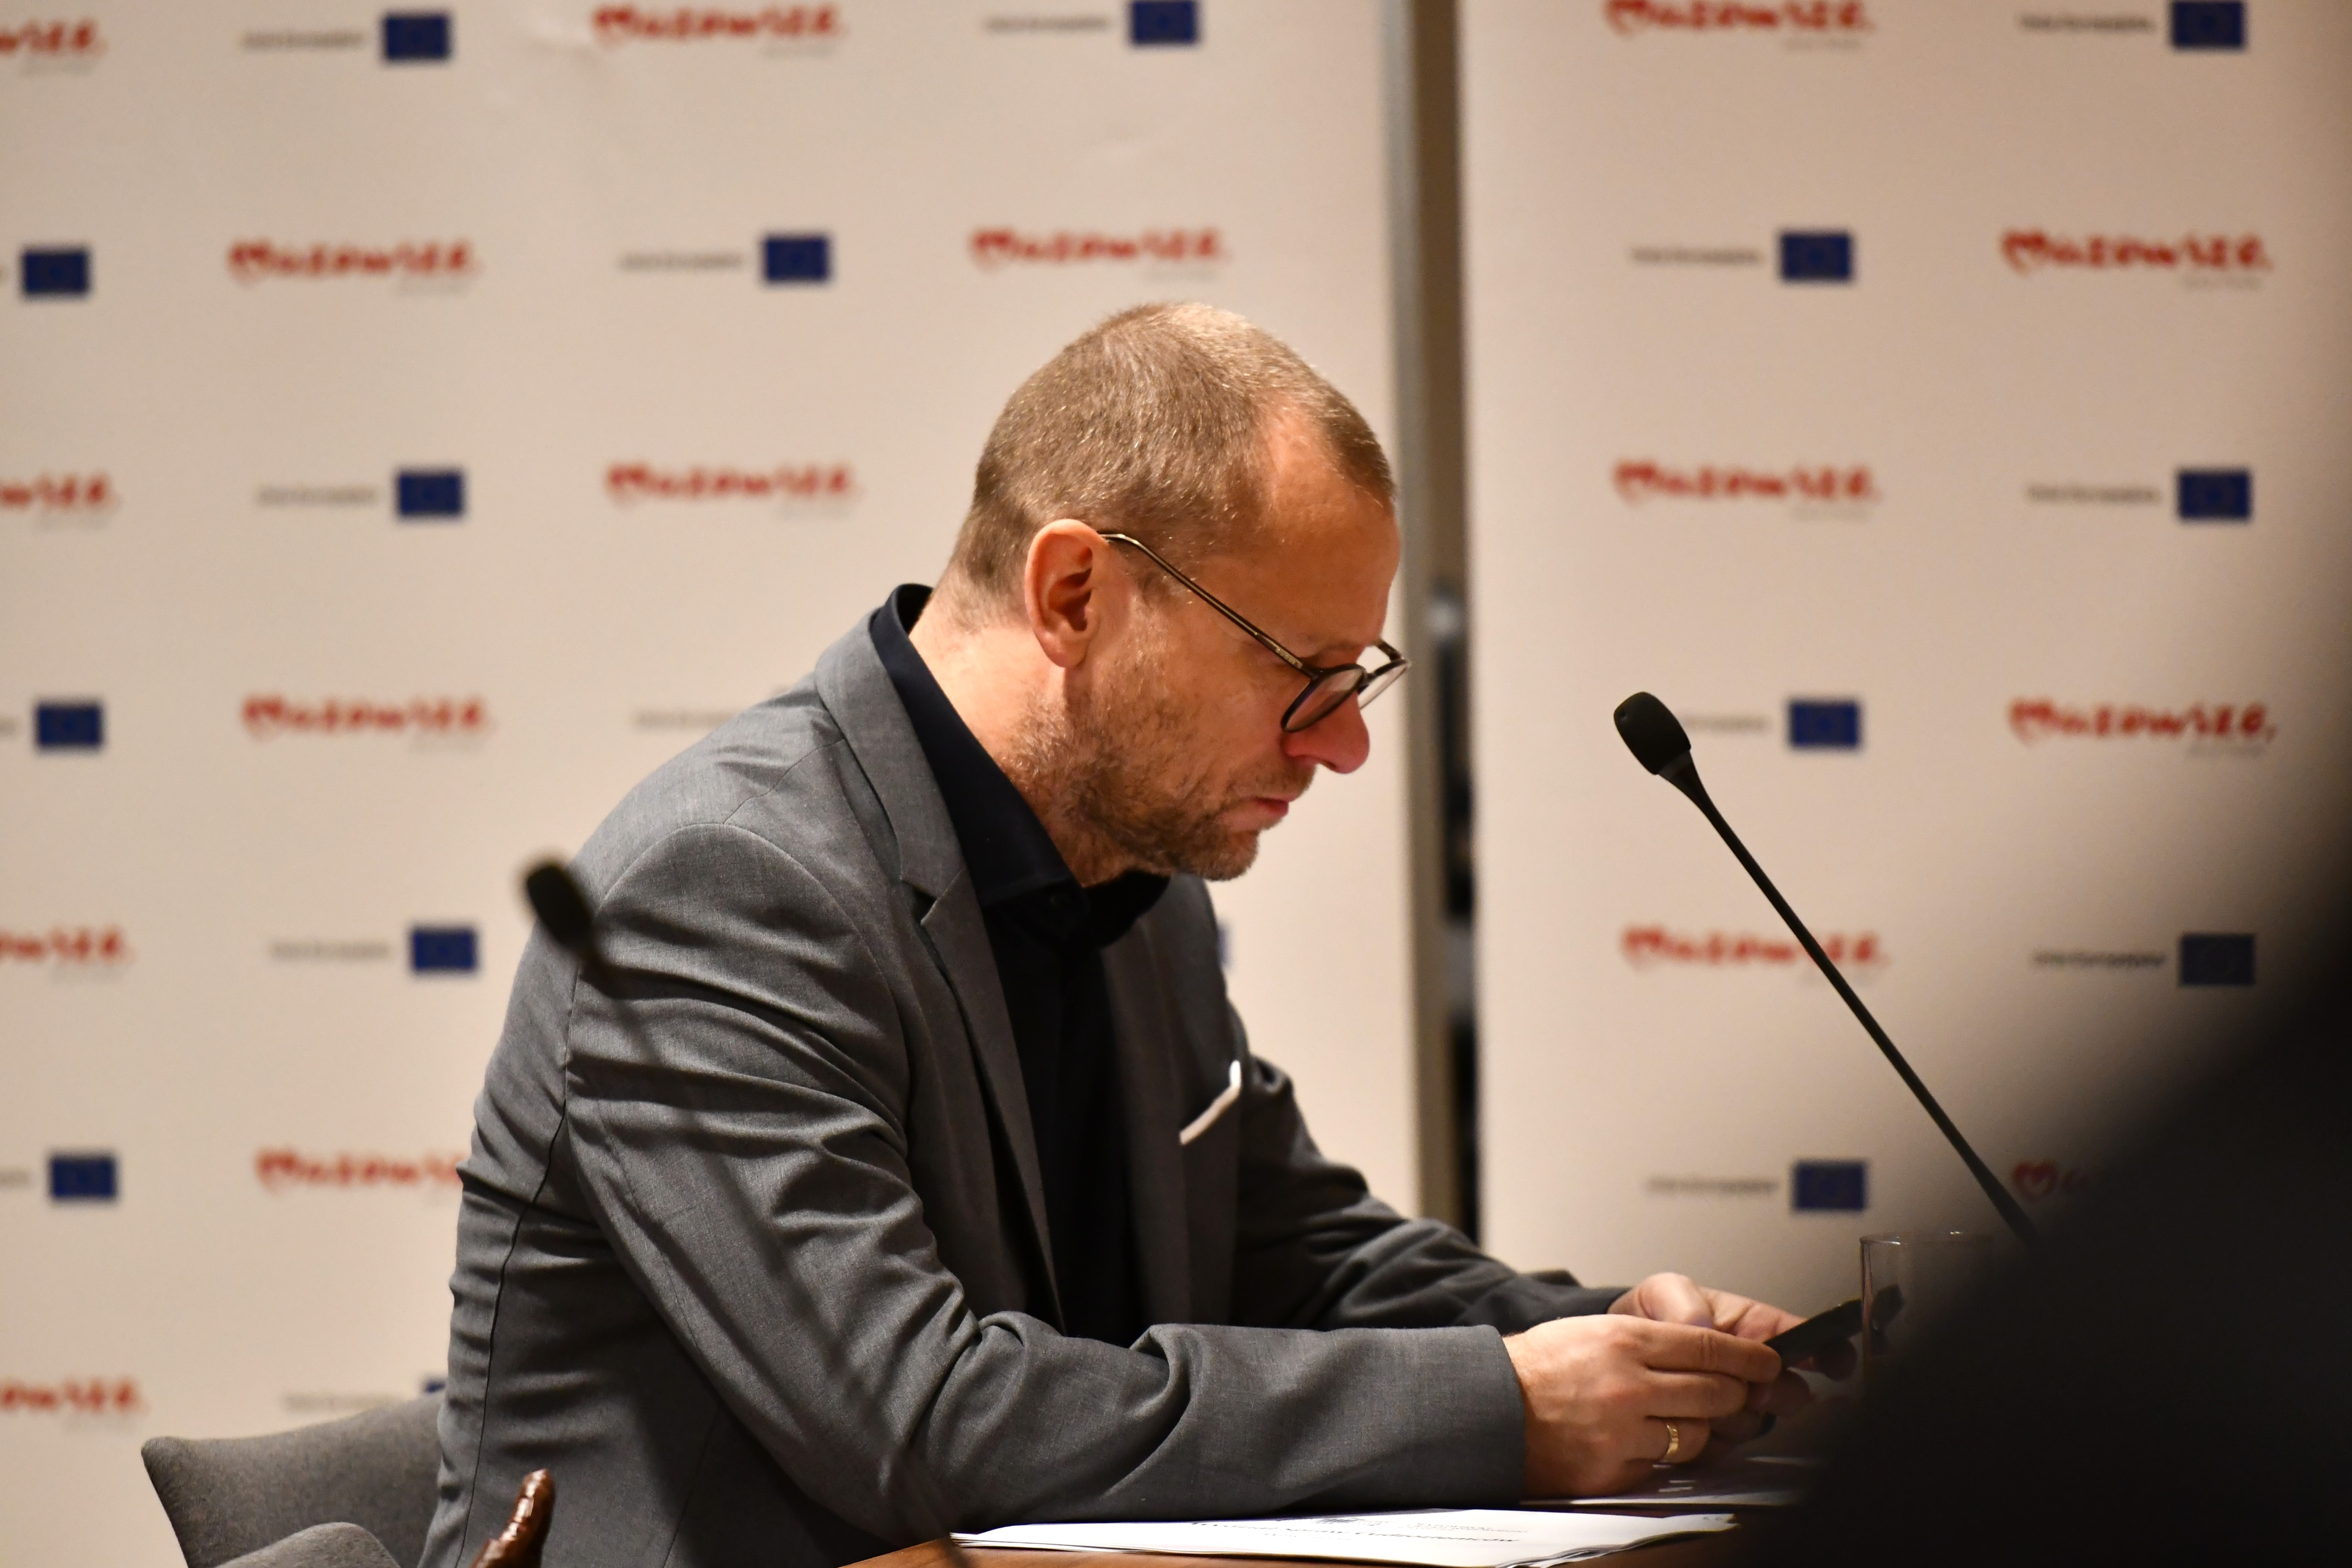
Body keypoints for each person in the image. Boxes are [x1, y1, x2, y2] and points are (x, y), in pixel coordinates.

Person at [421, 304, 1822, 1568]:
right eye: (1302, 673)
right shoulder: (723, 887)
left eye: (1359, 678)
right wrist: (1503, 1410)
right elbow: (922, 1421)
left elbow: (1295, 1255)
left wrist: (1621, 1350)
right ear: (1075, 596)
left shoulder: (1137, 861)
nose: (1343, 747)